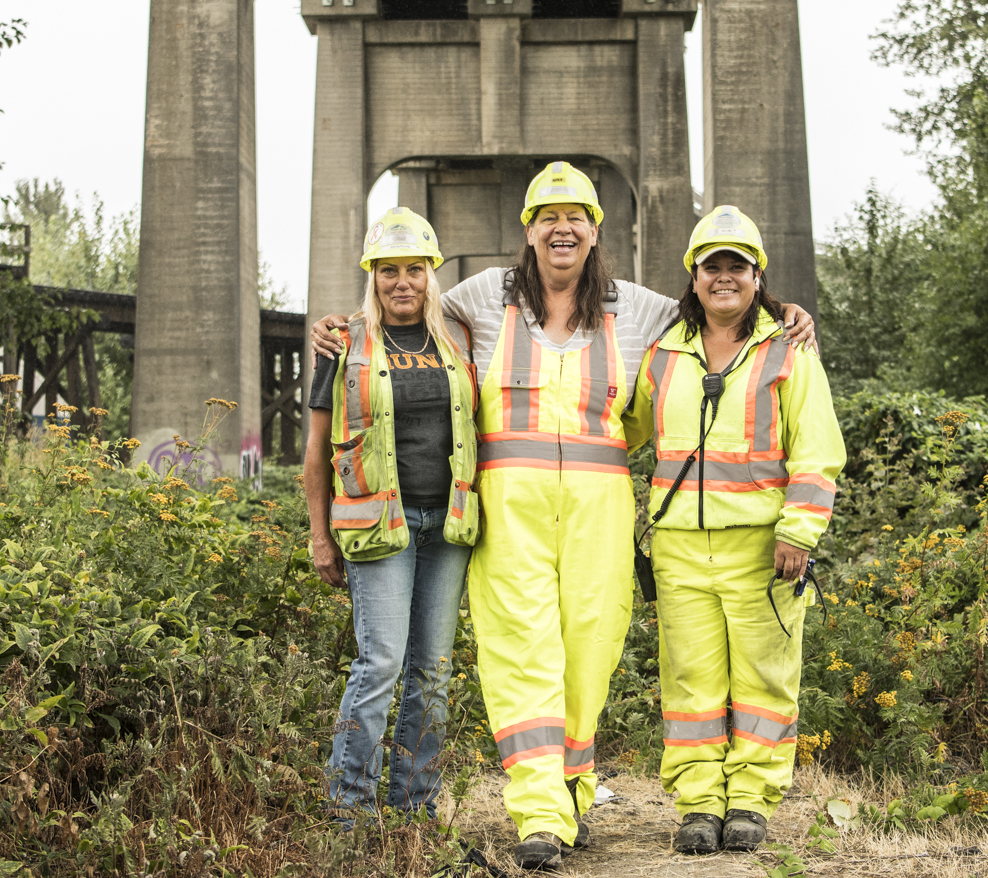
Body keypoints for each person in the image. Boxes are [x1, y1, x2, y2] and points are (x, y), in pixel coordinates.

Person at [312, 162, 816, 870]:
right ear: (528, 229)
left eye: (575, 214)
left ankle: (570, 793)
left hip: (599, 510)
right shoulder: (481, 296)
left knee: (589, 652)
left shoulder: (638, 308)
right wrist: (335, 325)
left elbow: (722, 312)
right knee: (522, 655)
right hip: (509, 511)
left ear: (594, 228)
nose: (562, 226)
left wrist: (786, 312)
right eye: (548, 215)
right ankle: (539, 814)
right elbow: (402, 309)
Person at [622, 205, 845, 855]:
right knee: (690, 682)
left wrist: (799, 533)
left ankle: (750, 798)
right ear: (694, 278)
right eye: (712, 266)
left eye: (737, 266)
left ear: (757, 276)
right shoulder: (663, 354)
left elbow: (818, 448)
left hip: (763, 551)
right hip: (679, 549)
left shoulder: (788, 350)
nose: (724, 277)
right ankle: (698, 803)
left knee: (764, 679)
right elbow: (627, 430)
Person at [302, 208, 481, 826]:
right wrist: (319, 537)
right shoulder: (342, 342)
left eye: (414, 270)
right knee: (380, 664)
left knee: (432, 671)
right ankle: (349, 810)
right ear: (371, 276)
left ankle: (415, 807)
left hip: (447, 525)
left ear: (432, 274)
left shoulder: (459, 339)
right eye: (387, 271)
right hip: (380, 528)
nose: (401, 282)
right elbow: (315, 455)